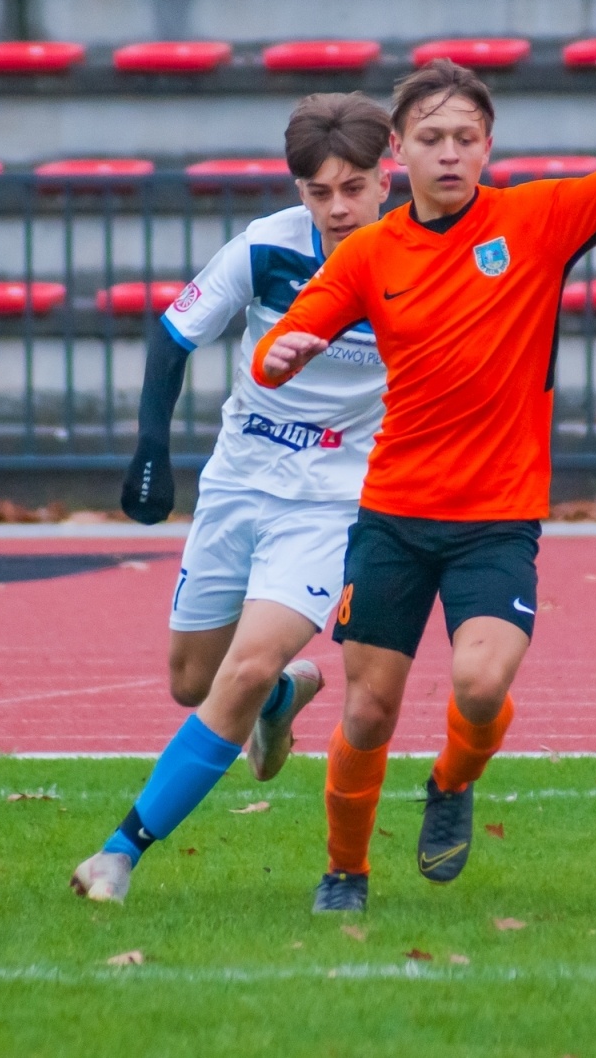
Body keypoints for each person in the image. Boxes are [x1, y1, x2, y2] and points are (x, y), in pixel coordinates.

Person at [253, 41, 596, 912]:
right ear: (397, 155)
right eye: (432, 137)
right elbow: (282, 341)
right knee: (368, 711)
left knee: (481, 686)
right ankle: (346, 871)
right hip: (394, 517)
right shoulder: (370, 253)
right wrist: (281, 352)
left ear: (488, 148)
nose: (450, 153)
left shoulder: (536, 221)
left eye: (467, 137)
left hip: (496, 517)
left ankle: (450, 784)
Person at [70, 92, 394, 903]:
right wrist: (152, 446)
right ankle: (287, 695)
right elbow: (174, 334)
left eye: (353, 187)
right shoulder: (264, 251)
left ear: (387, 174)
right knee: (193, 681)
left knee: (243, 669)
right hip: (241, 479)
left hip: (334, 497)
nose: (338, 208)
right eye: (319, 192)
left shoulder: (417, 257)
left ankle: (119, 852)